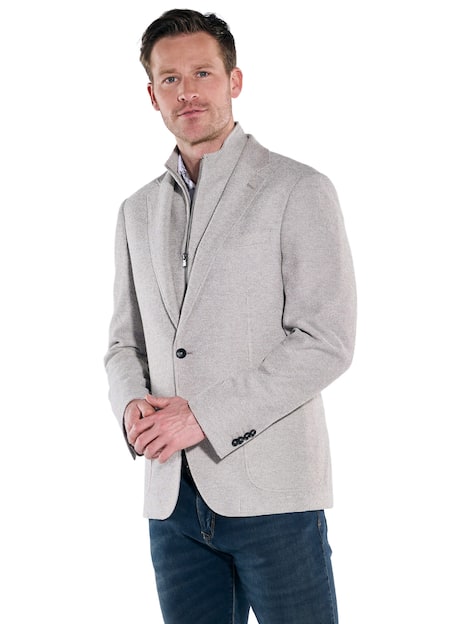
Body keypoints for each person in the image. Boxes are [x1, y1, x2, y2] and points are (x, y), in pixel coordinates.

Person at [104, 8, 357, 624]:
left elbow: (326, 340)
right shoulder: (136, 210)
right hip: (171, 499)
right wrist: (132, 405)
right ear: (152, 95)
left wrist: (203, 417)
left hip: (273, 494)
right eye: (170, 79)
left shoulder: (297, 188)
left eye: (202, 73)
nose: (187, 92)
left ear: (234, 81)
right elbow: (123, 342)